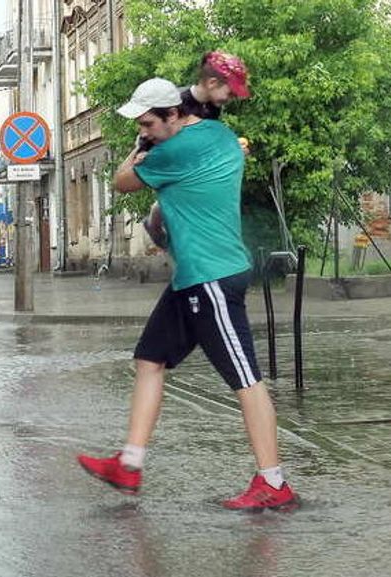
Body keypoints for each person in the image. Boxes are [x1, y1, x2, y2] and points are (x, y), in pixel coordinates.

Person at [77, 77, 298, 512]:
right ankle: (129, 463)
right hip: (193, 277)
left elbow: (121, 181)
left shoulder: (172, 151)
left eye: (147, 123)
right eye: (140, 125)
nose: (143, 131)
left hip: (211, 277)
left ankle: (273, 481)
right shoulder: (218, 135)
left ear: (174, 115)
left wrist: (140, 148)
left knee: (246, 379)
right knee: (149, 359)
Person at [142, 51, 251, 251]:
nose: (232, 98)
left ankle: (159, 223)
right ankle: (156, 224)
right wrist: (143, 152)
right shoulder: (176, 102)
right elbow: (149, 130)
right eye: (230, 93)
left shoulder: (213, 107)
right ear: (212, 83)